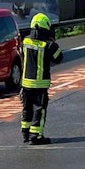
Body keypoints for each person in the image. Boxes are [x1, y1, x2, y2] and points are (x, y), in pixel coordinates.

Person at [20, 13, 64, 145]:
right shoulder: (48, 44)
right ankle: (37, 135)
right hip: (39, 83)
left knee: (27, 107)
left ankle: (25, 133)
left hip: (26, 82)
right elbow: (58, 58)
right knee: (39, 108)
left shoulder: (25, 41)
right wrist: (53, 42)